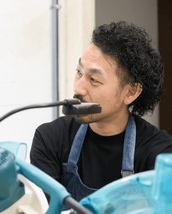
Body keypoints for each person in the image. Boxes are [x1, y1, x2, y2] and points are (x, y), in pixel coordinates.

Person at [30, 21, 172, 202]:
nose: (79, 88)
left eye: (94, 79)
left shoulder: (160, 156)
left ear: (130, 92)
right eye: (79, 72)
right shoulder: (50, 139)